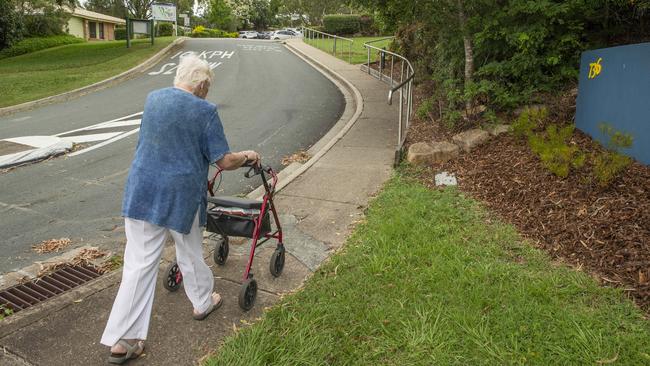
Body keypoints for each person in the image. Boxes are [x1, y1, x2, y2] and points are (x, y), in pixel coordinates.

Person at [100, 53, 260, 364]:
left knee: (138, 264)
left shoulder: (153, 99)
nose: (207, 92)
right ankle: (202, 302)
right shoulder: (205, 110)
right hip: (181, 197)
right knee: (189, 251)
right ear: (201, 85)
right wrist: (248, 155)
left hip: (142, 190)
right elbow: (224, 161)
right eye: (207, 87)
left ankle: (123, 340)